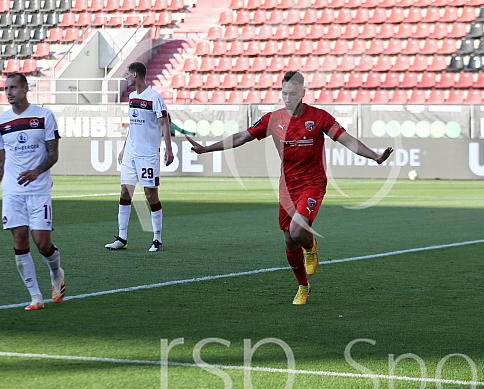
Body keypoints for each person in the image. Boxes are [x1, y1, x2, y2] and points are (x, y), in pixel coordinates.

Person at [185, 71, 393, 305]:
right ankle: (303, 286)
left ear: (303, 93)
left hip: (313, 183)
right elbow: (242, 137)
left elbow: (346, 139)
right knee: (288, 241)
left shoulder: (319, 117)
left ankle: (310, 245)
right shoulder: (273, 119)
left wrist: (374, 156)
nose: (287, 98)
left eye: (293, 94)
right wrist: (206, 149)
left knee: (297, 231)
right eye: (284, 93)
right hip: (287, 186)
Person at [0, 73, 65, 310]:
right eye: (6, 88)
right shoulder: (1, 122)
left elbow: (53, 154)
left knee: (42, 243)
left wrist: (36, 171)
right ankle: (35, 297)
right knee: (19, 240)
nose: (9, 92)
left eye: (13, 87)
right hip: (12, 191)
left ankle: (56, 273)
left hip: (39, 189)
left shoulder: (44, 116)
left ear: (25, 89)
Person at [106, 62, 174, 252]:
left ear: (135, 75)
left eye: (127, 73)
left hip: (148, 154)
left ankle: (157, 239)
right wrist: (124, 148)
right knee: (124, 192)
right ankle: (121, 237)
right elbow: (134, 126)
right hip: (131, 153)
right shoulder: (132, 96)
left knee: (150, 194)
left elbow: (165, 124)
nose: (126, 76)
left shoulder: (154, 97)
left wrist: (169, 150)